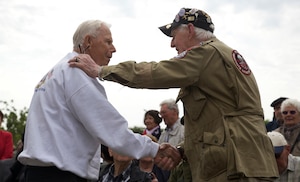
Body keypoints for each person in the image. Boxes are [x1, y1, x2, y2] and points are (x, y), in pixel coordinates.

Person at [69, 8, 278, 181]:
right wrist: (183, 150)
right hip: (242, 161)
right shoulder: (217, 56)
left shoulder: (207, 53)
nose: (171, 44)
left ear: (189, 30)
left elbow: (156, 73)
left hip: (237, 167)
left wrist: (102, 71)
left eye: (173, 36)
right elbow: (219, 120)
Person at [17, 20, 180, 182]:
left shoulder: (57, 72)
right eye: (108, 42)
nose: (114, 49)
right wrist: (154, 149)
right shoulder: (76, 73)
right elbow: (110, 127)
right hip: (59, 176)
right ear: (88, 41)